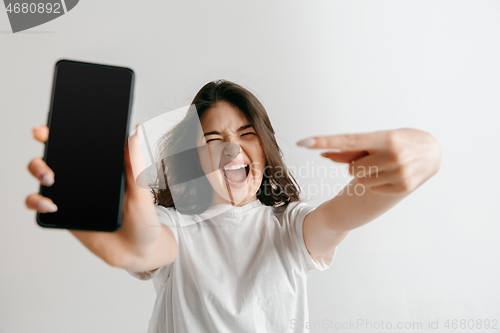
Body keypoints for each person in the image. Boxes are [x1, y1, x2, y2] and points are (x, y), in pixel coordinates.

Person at [26, 80, 442, 332]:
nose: (232, 148)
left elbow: (344, 212)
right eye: (212, 140)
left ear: (263, 145)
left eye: (246, 133)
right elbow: (148, 245)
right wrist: (122, 228)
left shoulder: (289, 227)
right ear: (192, 159)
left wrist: (418, 164)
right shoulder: (176, 227)